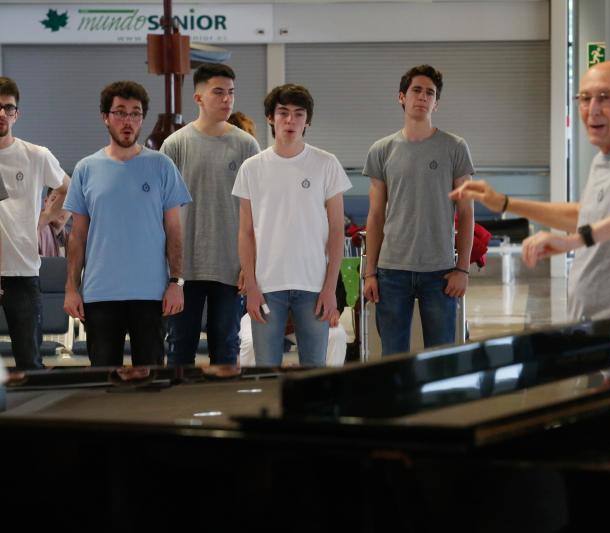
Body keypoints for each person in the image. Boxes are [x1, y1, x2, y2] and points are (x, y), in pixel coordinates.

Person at [451, 61, 610, 379]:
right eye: (585, 98)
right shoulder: (606, 157)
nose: (592, 108)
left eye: (606, 97)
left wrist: (576, 240)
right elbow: (585, 214)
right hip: (593, 333)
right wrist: (504, 202)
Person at [63, 81, 192, 367]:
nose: (128, 121)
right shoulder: (86, 169)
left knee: (151, 380)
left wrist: (177, 282)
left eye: (135, 113)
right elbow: (77, 236)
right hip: (100, 293)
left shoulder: (162, 166)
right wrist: (72, 288)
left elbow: (174, 231)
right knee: (103, 381)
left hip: (151, 293)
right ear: (105, 117)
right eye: (120, 112)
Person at [234, 83, 351, 367]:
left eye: (299, 114)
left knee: (314, 372)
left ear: (307, 121)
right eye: (283, 113)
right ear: (271, 118)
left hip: (313, 285)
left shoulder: (326, 164)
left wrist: (330, 288)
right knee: (266, 372)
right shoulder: (252, 167)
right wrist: (251, 286)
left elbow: (337, 230)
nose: (290, 120)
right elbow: (246, 232)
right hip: (266, 286)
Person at [362, 64, 474, 356]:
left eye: (430, 93)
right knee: (393, 359)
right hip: (391, 271)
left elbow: (466, 213)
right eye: (416, 90)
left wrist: (462, 268)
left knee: (441, 359)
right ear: (401, 96)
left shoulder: (454, 147)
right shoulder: (381, 150)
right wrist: (369, 272)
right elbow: (375, 216)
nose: (422, 97)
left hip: (440, 272)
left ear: (436, 103)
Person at [160, 63, 260, 366]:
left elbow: (256, 212)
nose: (227, 99)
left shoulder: (247, 145)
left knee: (226, 348)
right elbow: (163, 212)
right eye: (218, 92)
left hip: (230, 267)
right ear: (198, 97)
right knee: (180, 349)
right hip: (184, 270)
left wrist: (249, 265)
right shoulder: (175, 144)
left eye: (231, 93)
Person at [0, 76, 70, 370]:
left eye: (8, 108)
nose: (1, 114)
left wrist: (43, 219)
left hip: (22, 272)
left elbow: (69, 189)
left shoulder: (35, 155)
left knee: (30, 363)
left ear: (17, 114)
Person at [38, 188, 72, 257]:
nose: (61, 208)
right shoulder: (35, 229)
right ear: (45, 202)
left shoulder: (71, 240)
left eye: (67, 203)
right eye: (54, 200)